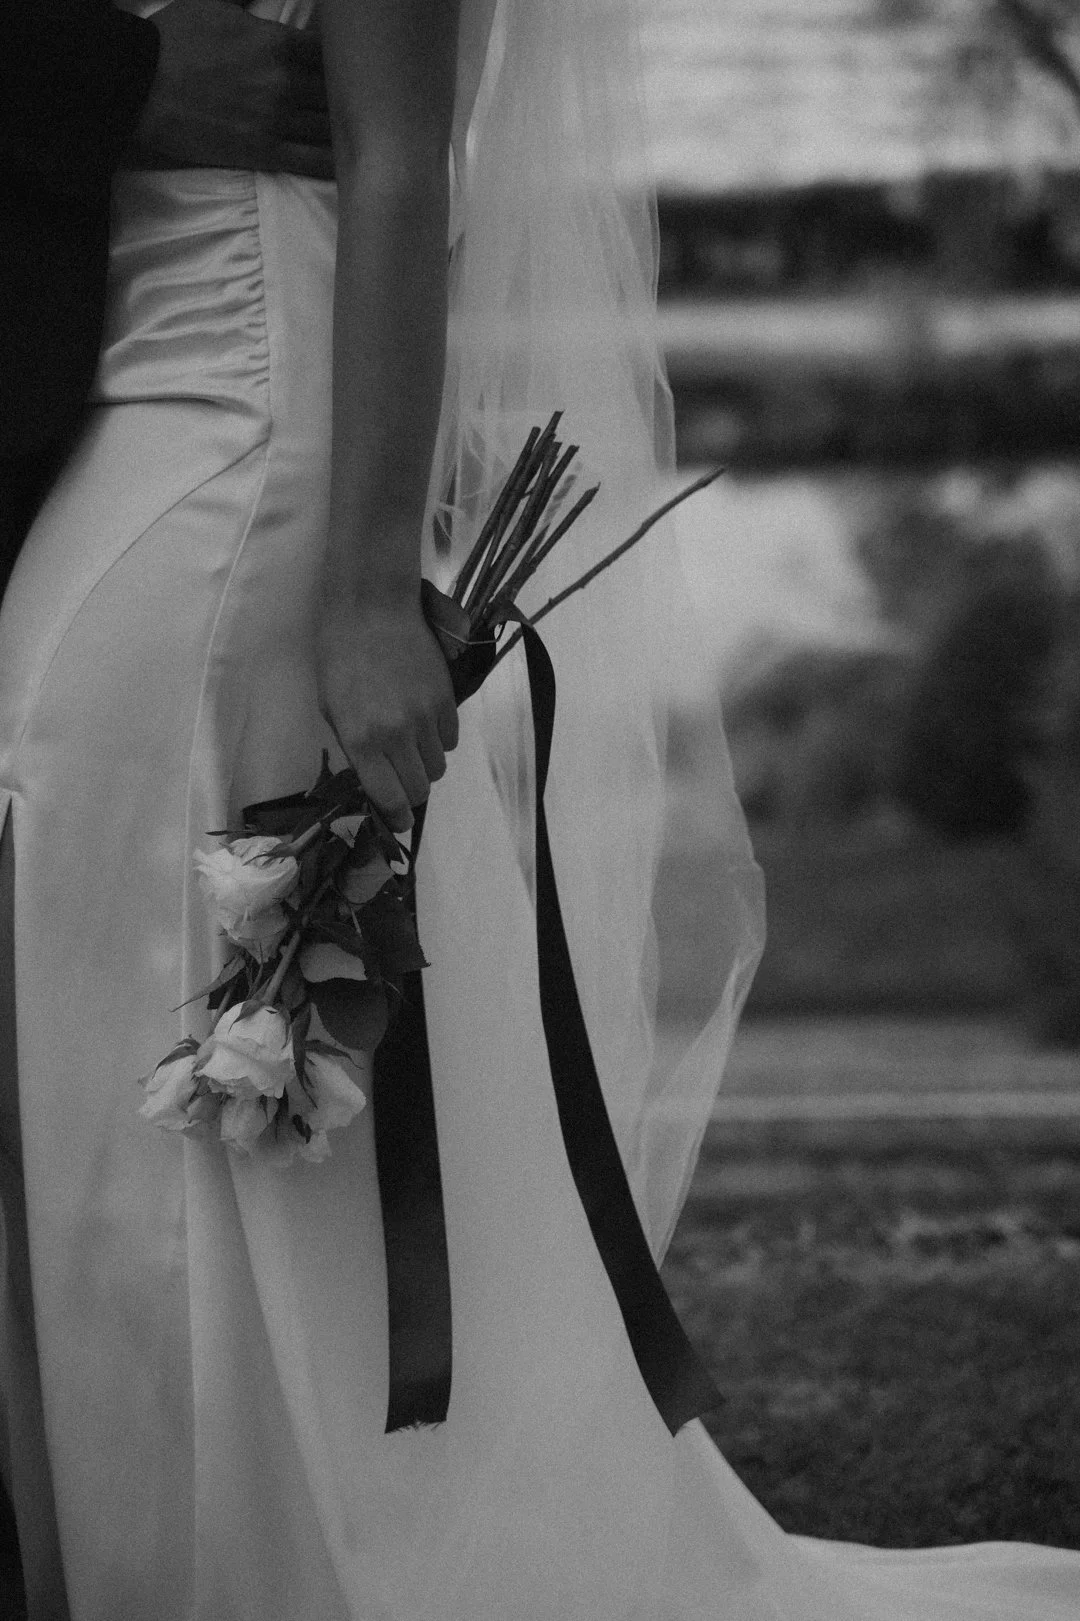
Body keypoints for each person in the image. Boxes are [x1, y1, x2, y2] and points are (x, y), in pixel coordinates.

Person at [0, 2, 1077, 1617]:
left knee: (144, 986)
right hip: (136, 425)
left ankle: (229, 1544)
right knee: (100, 999)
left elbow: (398, 165)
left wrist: (368, 594)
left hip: (238, 444)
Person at [0, 0, 333, 583]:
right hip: (118, 359)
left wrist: (372, 592)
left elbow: (401, 163)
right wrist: (109, 70)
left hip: (234, 356)